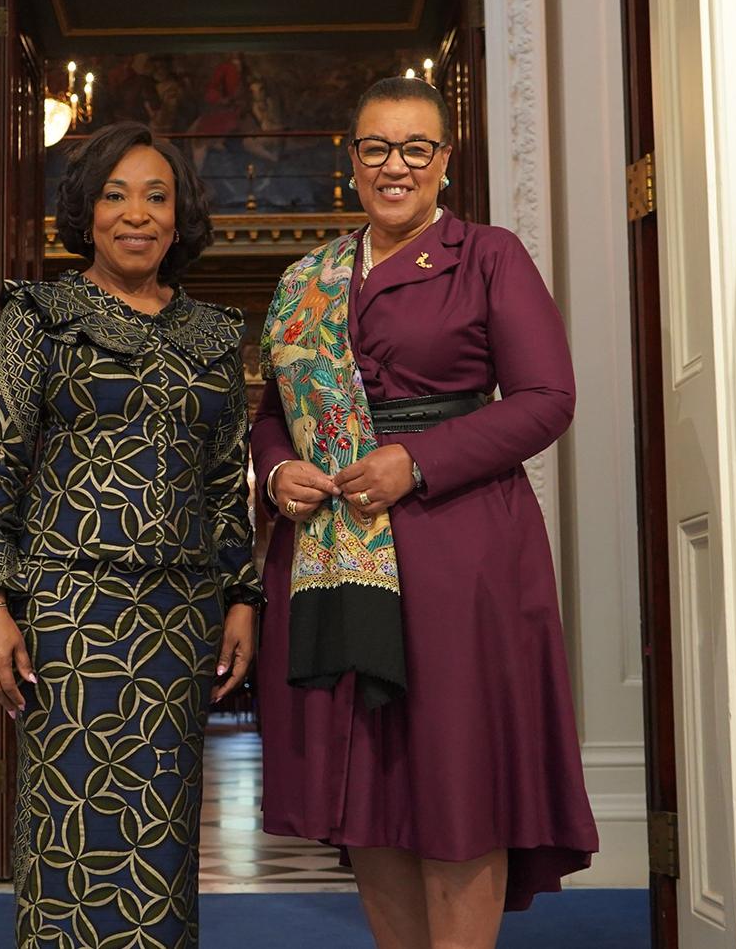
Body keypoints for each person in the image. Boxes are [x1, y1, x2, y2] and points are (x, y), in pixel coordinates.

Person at [253, 77, 597, 948]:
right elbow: (270, 413)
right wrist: (278, 470)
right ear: (353, 161)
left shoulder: (489, 255)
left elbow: (546, 398)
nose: (394, 166)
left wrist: (420, 461)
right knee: (369, 774)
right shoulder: (309, 278)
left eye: (415, 148)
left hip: (460, 547)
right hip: (335, 551)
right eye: (376, 148)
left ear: (445, 160)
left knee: (456, 771)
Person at [0, 121, 262, 948]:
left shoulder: (216, 336)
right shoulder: (38, 317)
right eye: (115, 195)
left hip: (180, 620)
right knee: (69, 830)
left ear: (180, 215)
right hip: (67, 618)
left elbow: (228, 480)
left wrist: (242, 597)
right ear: (86, 214)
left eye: (156, 196)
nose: (136, 214)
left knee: (162, 838)